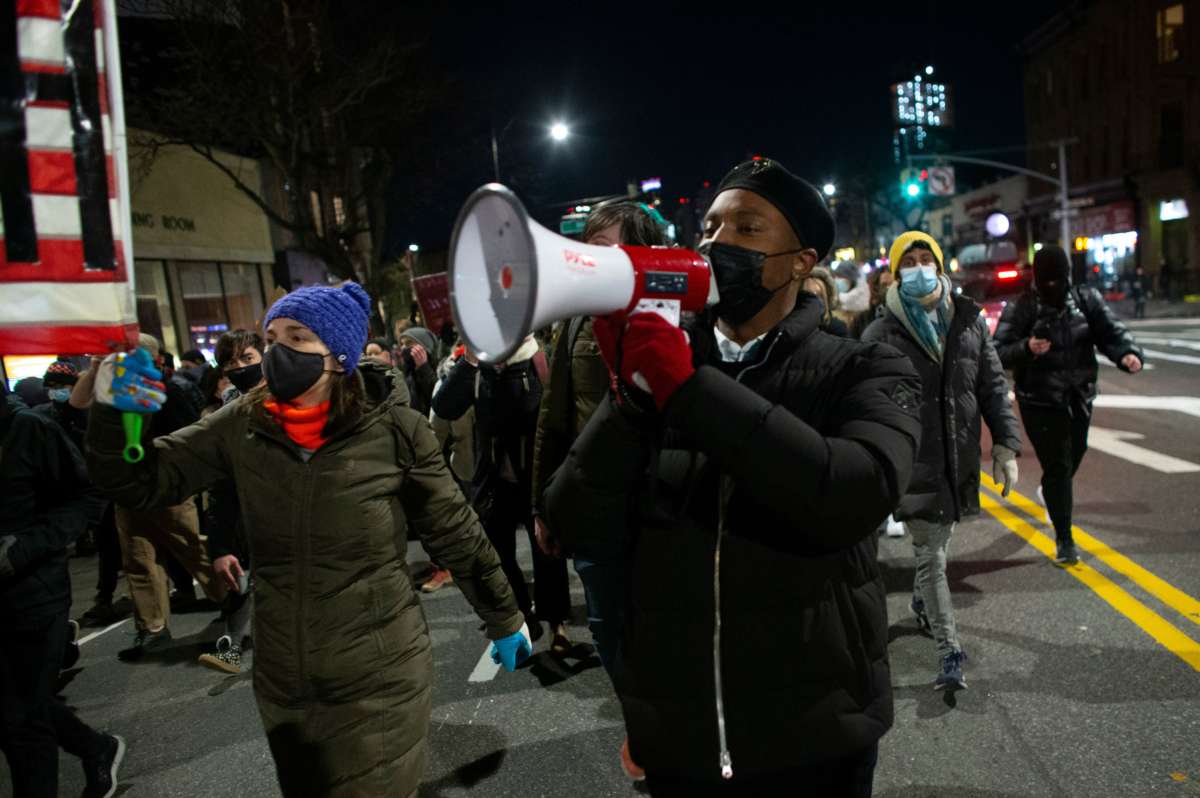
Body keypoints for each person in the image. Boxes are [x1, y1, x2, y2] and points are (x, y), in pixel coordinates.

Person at [543, 158, 922, 794]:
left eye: (748, 229)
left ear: (801, 262)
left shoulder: (865, 367)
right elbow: (574, 524)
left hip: (814, 735)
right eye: (712, 227)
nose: (719, 243)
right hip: (679, 736)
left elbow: (850, 494)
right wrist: (629, 402)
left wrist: (687, 390)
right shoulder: (664, 364)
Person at [86, 282, 529, 797]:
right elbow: (136, 482)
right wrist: (110, 412)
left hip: (378, 678)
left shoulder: (393, 431)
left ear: (338, 356)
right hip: (284, 683)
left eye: (297, 337)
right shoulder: (242, 422)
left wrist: (503, 614)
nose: (278, 352)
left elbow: (454, 530)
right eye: (272, 337)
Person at [863, 231, 1022, 691]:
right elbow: (869, 405)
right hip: (914, 462)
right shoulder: (881, 333)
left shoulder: (968, 319)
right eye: (907, 262)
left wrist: (1006, 446)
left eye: (924, 258)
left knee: (937, 547)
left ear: (939, 263)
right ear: (895, 274)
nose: (918, 268)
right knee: (931, 554)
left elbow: (992, 386)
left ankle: (919, 603)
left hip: (959, 458)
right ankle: (948, 651)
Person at [531, 201, 666, 675]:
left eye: (609, 247)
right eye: (590, 248)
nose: (593, 260)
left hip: (664, 508)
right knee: (610, 631)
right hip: (596, 507)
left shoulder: (674, 312)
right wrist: (543, 507)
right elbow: (554, 419)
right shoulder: (573, 321)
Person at [1, 380, 126, 798]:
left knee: (22, 721)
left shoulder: (29, 429)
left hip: (33, 596)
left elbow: (88, 496)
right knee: (16, 707)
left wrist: (22, 548)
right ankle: (95, 747)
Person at [993, 245, 1144, 565]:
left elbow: (1110, 332)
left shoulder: (1086, 300)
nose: (1052, 286)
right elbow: (998, 351)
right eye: (1046, 280)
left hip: (1079, 397)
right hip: (1038, 401)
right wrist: (1028, 347)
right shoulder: (1022, 306)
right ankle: (1065, 539)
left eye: (1057, 279)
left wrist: (1127, 354)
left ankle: (1051, 494)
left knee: (1074, 456)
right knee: (1058, 467)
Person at [432, 329, 575, 654]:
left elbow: (553, 413)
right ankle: (522, 615)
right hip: (493, 477)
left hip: (534, 474)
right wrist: (468, 364)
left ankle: (557, 624)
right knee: (498, 553)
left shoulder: (537, 359)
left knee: (546, 550)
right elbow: (444, 406)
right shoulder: (477, 368)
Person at [108, 334, 227, 661]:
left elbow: (188, 439)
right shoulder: (114, 397)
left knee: (191, 547)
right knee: (138, 558)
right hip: (128, 491)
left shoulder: (169, 392)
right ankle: (153, 628)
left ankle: (232, 598)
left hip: (165, 488)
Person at [197, 329, 266, 674]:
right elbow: (219, 483)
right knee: (240, 579)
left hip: (295, 511)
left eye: (247, 358)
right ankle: (232, 646)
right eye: (231, 362)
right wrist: (219, 546)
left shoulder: (294, 395)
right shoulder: (226, 411)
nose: (240, 367)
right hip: (245, 512)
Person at [396, 327, 440, 416]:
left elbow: (437, 396)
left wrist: (423, 368)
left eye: (408, 343)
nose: (404, 348)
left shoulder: (440, 369)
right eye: (402, 344)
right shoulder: (406, 374)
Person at [803, 265, 850, 337]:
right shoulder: (794, 330)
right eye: (809, 296)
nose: (814, 301)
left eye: (819, 296)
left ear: (827, 299)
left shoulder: (837, 329)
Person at [849, 267, 895, 340]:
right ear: (876, 288)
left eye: (892, 284)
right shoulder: (861, 320)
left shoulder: (905, 316)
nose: (889, 288)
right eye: (884, 285)